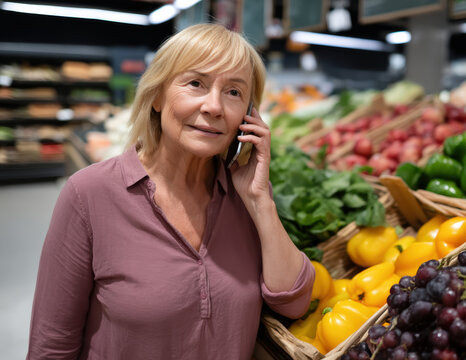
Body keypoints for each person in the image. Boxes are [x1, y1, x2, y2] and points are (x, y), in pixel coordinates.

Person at [27, 23, 314, 359]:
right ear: (158, 96)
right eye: (196, 84)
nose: (214, 106)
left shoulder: (245, 197)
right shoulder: (88, 195)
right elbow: (51, 345)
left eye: (234, 92)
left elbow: (294, 303)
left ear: (249, 117)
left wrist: (260, 201)